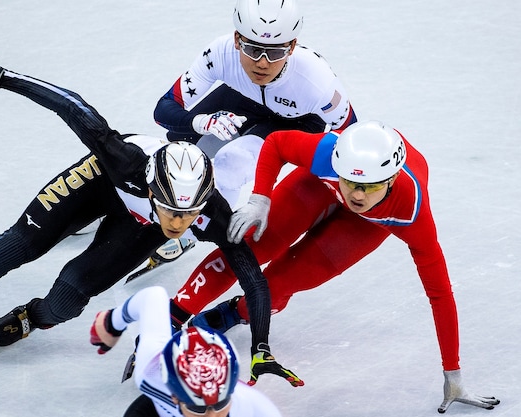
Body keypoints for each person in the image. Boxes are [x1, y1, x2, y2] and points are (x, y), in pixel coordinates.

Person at [0, 42, 301, 388]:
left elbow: (254, 279)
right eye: (171, 210)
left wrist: (261, 348)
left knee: (66, 301)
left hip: (136, 223)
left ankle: (30, 317)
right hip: (102, 182)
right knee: (21, 244)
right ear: (153, 188)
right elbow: (72, 106)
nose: (179, 224)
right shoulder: (126, 160)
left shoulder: (214, 215)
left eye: (189, 216)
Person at [168, 120, 501, 412]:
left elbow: (440, 294)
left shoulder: (411, 214)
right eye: (351, 182)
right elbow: (277, 144)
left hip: (369, 224)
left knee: (278, 285)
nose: (356, 194)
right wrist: (260, 199)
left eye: (369, 186)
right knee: (250, 244)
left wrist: (452, 375)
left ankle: (232, 313)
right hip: (319, 185)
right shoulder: (326, 152)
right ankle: (176, 315)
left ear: (392, 178)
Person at [138, 0, 358, 273]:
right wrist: (202, 122)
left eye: (275, 53)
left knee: (232, 162)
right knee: (182, 141)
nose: (262, 63)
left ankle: (187, 233)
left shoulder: (317, 82)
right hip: (246, 98)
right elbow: (163, 110)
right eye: (253, 49)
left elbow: (350, 136)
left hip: (296, 119)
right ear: (236, 40)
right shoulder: (219, 53)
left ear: (291, 47)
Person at [91, 286, 287, 417]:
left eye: (220, 404)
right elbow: (153, 297)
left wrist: (113, 323)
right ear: (174, 396)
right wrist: (111, 322)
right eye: (197, 406)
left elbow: (152, 299)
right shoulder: (151, 373)